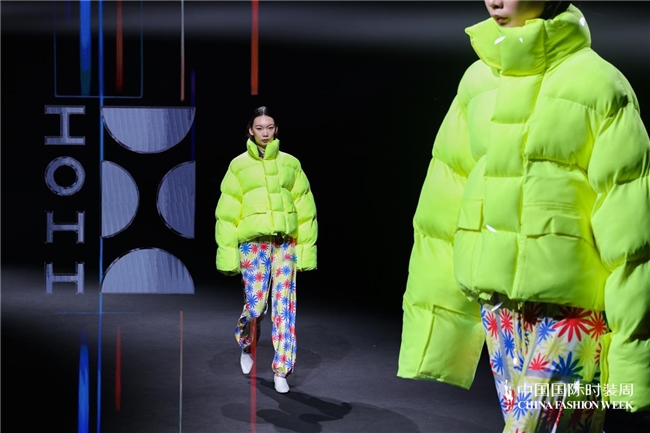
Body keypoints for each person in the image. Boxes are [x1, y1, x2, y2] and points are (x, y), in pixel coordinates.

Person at [398, 1, 650, 432]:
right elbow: (443, 208)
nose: (495, 1)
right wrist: (436, 325)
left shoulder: (600, 85)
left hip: (574, 311)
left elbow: (632, 229)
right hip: (497, 307)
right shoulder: (477, 82)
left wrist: (632, 349)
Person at [215, 106, 318, 394]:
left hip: (285, 243)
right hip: (253, 244)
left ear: (276, 130)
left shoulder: (291, 164)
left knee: (284, 308)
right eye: (259, 128)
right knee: (256, 306)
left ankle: (281, 370)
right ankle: (246, 342)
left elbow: (305, 209)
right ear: (250, 130)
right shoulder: (238, 165)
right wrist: (228, 255)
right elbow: (227, 214)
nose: (265, 133)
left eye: (269, 127)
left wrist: (306, 251)